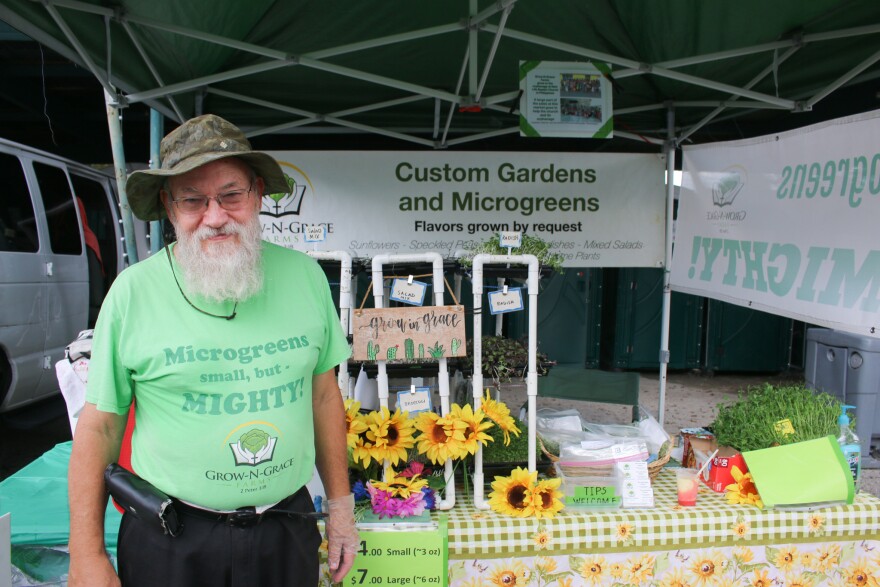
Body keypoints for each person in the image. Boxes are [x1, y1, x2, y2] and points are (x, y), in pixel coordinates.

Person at [67, 114, 358, 587]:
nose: (215, 216)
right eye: (193, 200)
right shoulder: (132, 293)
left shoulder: (305, 277)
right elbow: (99, 426)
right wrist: (85, 552)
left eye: (231, 195)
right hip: (171, 540)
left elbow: (323, 397)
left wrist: (341, 508)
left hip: (285, 529)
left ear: (258, 194)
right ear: (168, 206)